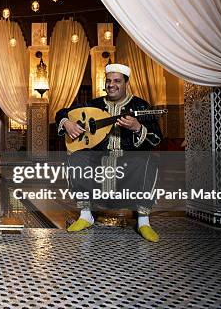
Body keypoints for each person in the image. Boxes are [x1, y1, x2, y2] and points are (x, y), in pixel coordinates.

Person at [55, 63, 163, 242]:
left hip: (128, 162)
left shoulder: (141, 106)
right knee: (76, 159)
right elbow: (62, 113)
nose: (112, 84)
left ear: (126, 83)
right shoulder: (94, 104)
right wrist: (67, 123)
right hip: (98, 160)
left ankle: (143, 221)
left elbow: (157, 137)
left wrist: (137, 128)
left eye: (117, 81)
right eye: (108, 81)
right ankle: (85, 215)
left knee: (148, 161)